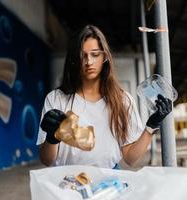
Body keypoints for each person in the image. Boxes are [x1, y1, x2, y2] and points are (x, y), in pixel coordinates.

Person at [37, 25, 172, 169]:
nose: (89, 62)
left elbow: (130, 158)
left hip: (108, 183)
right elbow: (47, 160)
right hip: (67, 183)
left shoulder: (122, 100)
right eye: (83, 55)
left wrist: (151, 126)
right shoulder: (56, 99)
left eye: (95, 54)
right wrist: (52, 138)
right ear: (74, 59)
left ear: (105, 57)